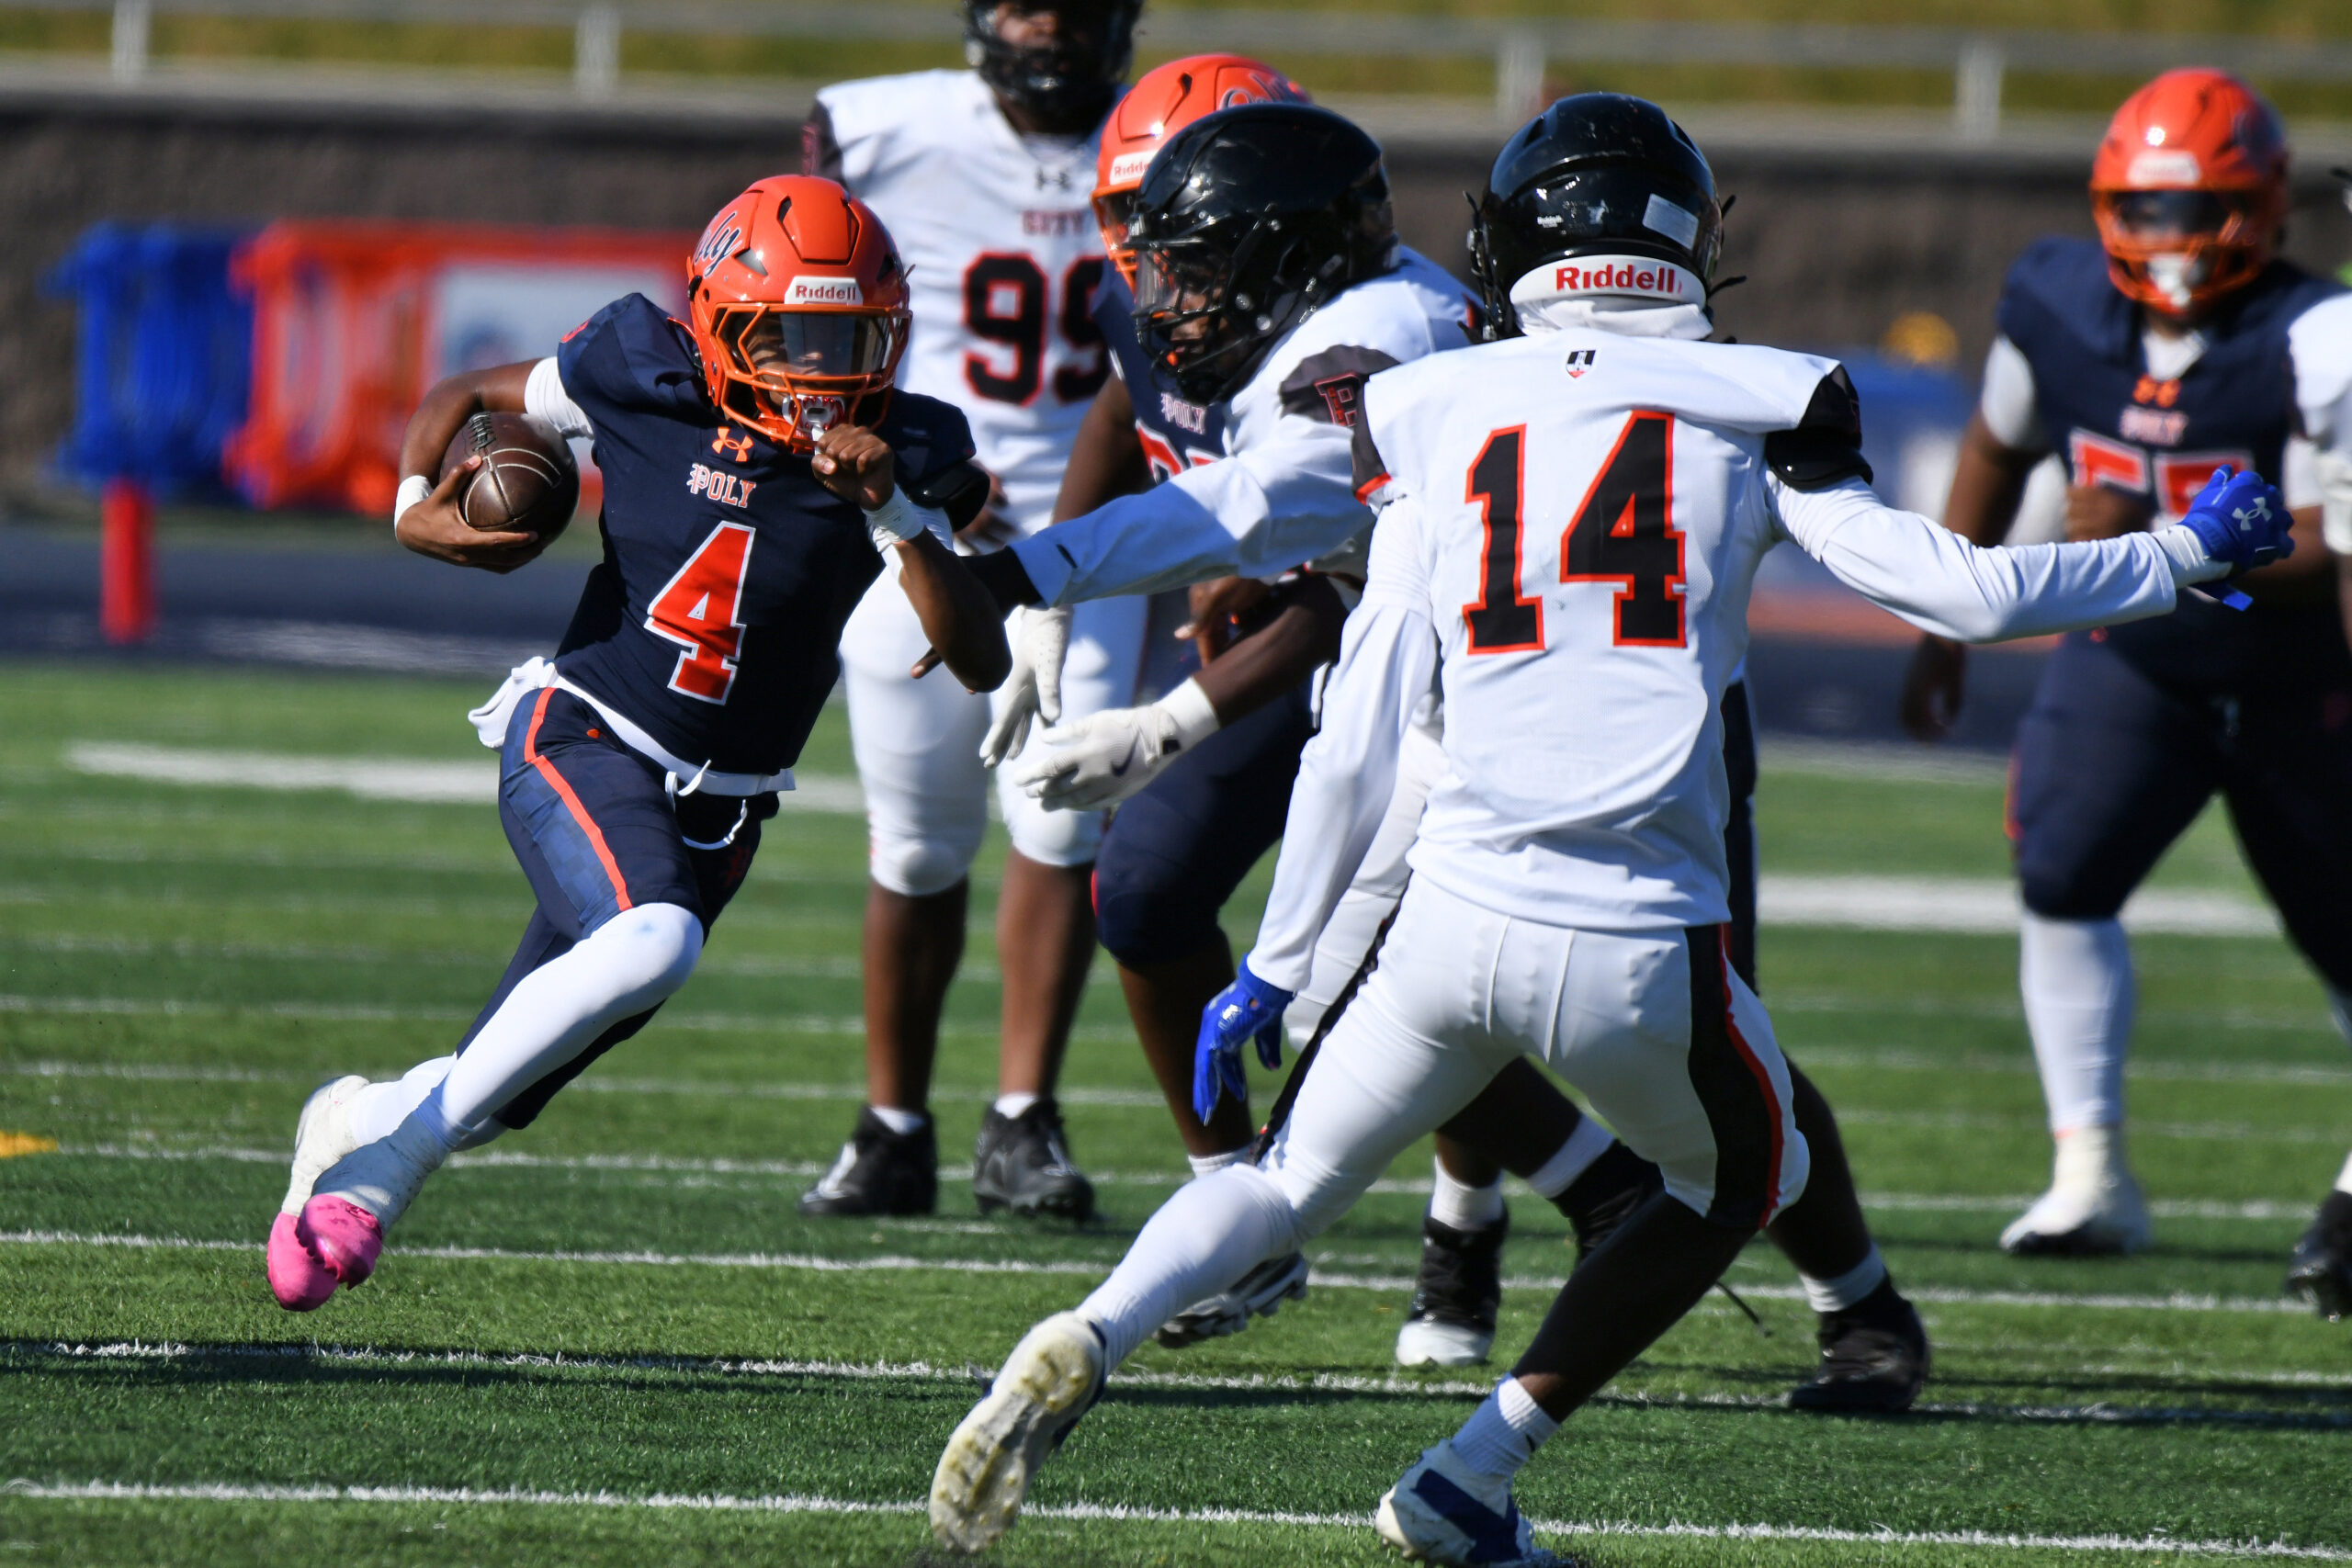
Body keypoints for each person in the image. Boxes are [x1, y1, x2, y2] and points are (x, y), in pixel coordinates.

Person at [928, 94, 2294, 1563]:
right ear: (1683, 241)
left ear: (1519, 242)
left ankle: (1091, 1326)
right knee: (1745, 1174)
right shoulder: (1761, 399)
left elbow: (1362, 709)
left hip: (1445, 914)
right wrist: (2182, 550)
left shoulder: (1428, 403)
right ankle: (1473, 1468)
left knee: (1274, 1181)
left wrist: (1271, 960)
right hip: (1640, 932)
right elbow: (1964, 592)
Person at [991, 83, 1934, 1406]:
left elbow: (1257, 509)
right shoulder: (1276, 328)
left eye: (1192, 259)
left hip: (1601, 705)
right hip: (1435, 694)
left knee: (1713, 1029)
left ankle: (1854, 1296)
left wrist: (1053, 590)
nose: (1162, 292)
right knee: (1389, 983)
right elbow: (1180, 454)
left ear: (1281, 246)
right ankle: (1509, 1220)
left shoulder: (1393, 348)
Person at [264, 176, 1010, 1310]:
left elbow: (981, 658)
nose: (820, 373)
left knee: (499, 1091)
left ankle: (354, 1119)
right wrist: (415, 499)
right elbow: (468, 391)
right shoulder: (640, 369)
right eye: (789, 339)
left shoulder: (909, 447)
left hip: (726, 808)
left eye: (849, 340)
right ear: (719, 324)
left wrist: (894, 512)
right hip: (584, 731)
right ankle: (380, 1176)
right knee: (652, 940)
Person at [1897, 70, 2352, 1302]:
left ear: (2263, 203)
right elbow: (1997, 442)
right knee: (2061, 874)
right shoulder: (2055, 304)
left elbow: (2331, 545)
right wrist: (1944, 625)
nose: (2170, 237)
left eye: (2196, 206)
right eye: (2146, 209)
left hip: (2299, 673)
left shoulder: (2315, 335)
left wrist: (2159, 538)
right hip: (2138, 662)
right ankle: (2089, 1169)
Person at [788, 0, 1151, 1222]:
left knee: (1060, 823)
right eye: (1024, 0)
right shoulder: (881, 132)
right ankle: (892, 1128)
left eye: (1072, 3)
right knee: (914, 844)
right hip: (918, 531)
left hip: (1093, 546)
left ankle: (1020, 1120)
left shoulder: (1164, 139)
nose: (1047, 28)